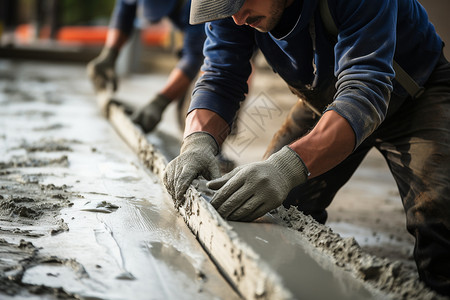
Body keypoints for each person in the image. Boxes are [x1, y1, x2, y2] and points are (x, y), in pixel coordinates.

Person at [162, 0, 450, 295]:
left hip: (416, 96)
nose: (237, 18)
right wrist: (198, 141)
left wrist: (287, 168)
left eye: (242, 1)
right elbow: (220, 77)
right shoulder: (234, 10)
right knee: (272, 208)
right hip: (325, 101)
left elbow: (365, 90)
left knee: (439, 221)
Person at [87, 0, 205, 132]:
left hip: (224, 46)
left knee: (197, 111)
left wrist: (160, 102)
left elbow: (193, 56)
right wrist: (109, 55)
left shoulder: (199, 6)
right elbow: (125, 7)